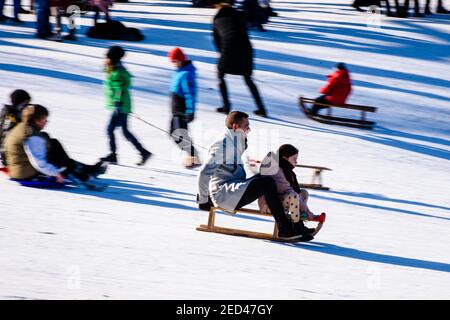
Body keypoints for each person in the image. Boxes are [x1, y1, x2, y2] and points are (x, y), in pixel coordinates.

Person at [197, 111, 313, 241]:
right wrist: (203, 200)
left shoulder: (233, 140)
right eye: (246, 126)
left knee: (267, 176)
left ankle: (297, 225)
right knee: (267, 182)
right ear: (235, 127)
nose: (249, 129)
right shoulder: (222, 145)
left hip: (233, 189)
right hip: (225, 194)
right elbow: (204, 172)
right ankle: (285, 229)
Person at [4, 104, 107, 189]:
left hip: (17, 168)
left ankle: (86, 170)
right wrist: (56, 173)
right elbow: (39, 162)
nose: (46, 122)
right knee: (57, 155)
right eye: (44, 119)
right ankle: (82, 175)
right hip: (25, 172)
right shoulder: (32, 136)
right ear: (36, 120)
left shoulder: (22, 127)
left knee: (53, 143)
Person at [212, 0, 267, 117]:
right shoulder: (239, 16)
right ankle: (261, 108)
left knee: (220, 76)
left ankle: (226, 106)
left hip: (228, 47)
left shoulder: (217, 20)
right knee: (248, 78)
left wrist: (221, 53)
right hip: (246, 48)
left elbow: (217, 41)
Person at [100, 46, 152, 166]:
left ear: (112, 58)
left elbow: (119, 89)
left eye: (106, 57)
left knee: (110, 129)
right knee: (125, 131)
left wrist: (117, 103)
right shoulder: (114, 70)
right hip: (123, 106)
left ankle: (113, 155)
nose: (104, 59)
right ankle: (143, 152)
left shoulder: (117, 72)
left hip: (120, 106)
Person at [258, 144, 326, 234]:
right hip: (268, 205)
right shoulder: (277, 171)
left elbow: (296, 192)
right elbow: (287, 191)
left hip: (280, 201)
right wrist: (310, 215)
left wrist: (307, 212)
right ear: (285, 158)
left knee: (303, 193)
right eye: (294, 159)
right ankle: (296, 228)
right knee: (293, 196)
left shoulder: (287, 171)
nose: (296, 162)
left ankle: (300, 226)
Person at [167, 47, 201, 169]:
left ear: (180, 60)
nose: (173, 63)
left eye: (174, 61)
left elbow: (190, 94)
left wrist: (190, 111)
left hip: (182, 111)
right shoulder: (179, 71)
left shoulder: (186, 74)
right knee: (173, 134)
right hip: (175, 111)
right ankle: (193, 156)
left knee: (179, 135)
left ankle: (194, 157)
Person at [0, 89, 31, 166]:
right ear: (19, 103)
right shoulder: (9, 116)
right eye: (25, 103)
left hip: (16, 152)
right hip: (10, 156)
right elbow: (4, 137)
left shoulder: (18, 115)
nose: (27, 106)